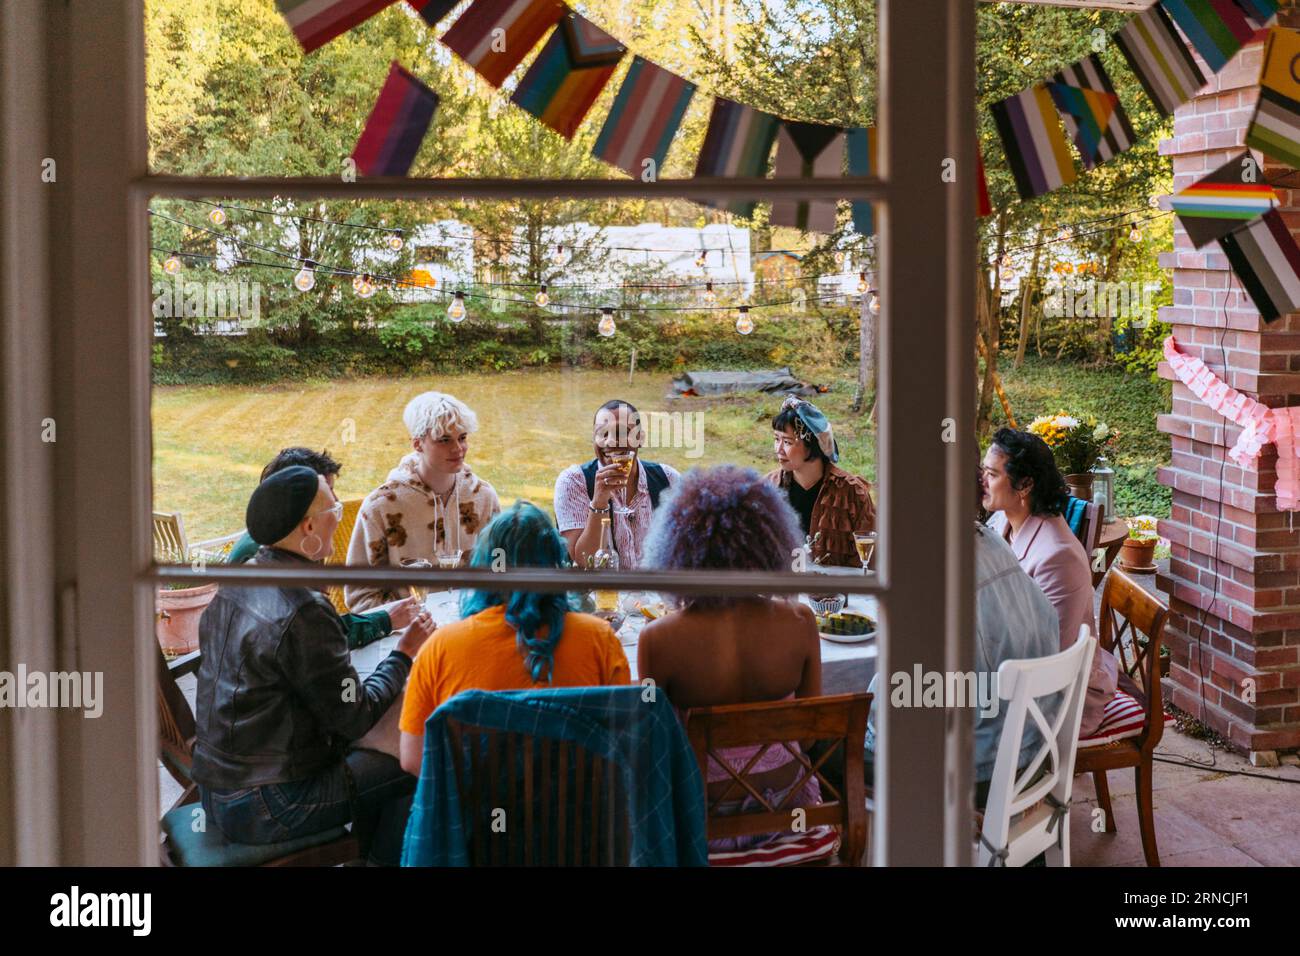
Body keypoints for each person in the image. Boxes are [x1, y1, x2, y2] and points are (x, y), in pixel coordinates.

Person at [192, 466, 437, 866]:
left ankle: (367, 853)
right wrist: (404, 654)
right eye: (334, 509)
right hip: (269, 806)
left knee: (389, 745)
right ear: (309, 528)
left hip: (217, 788)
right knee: (416, 759)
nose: (339, 516)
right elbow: (354, 718)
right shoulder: (303, 606)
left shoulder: (242, 577)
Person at [637, 465, 822, 850]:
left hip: (701, 822)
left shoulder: (658, 639)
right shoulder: (801, 621)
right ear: (768, 540)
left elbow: (655, 753)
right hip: (788, 813)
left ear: (678, 548)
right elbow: (808, 738)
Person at [865, 474, 1061, 807]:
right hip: (1033, 751)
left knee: (825, 752)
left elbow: (902, 706)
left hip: (980, 770)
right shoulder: (991, 540)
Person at [398, 501, 631, 777]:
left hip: (475, 816)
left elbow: (413, 759)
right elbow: (623, 743)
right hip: (576, 816)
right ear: (555, 565)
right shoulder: (599, 639)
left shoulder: (440, 647)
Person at [981, 427, 1118, 739]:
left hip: (1056, 698)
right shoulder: (1004, 520)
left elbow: (1047, 655)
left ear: (1025, 485)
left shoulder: (1058, 558)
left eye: (992, 474)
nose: (982, 482)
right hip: (1012, 671)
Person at [226, 446, 421, 649]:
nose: (336, 501)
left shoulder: (296, 542)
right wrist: (387, 625)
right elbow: (317, 639)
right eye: (327, 493)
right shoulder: (260, 559)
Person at [345, 392, 501, 612]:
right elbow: (361, 595)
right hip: (407, 633)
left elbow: (500, 566)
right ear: (417, 444)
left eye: (462, 437)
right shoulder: (380, 507)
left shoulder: (483, 496)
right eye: (445, 440)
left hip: (472, 623)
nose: (458, 448)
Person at [553, 399, 681, 570]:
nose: (611, 442)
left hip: (656, 594)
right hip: (601, 594)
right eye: (603, 434)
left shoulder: (669, 479)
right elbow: (584, 561)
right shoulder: (574, 481)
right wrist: (599, 501)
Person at [765, 395, 875, 567]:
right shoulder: (768, 488)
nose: (778, 449)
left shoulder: (852, 493)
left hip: (837, 591)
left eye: (787, 441)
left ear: (811, 444)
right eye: (776, 439)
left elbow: (871, 559)